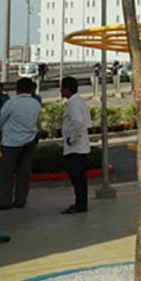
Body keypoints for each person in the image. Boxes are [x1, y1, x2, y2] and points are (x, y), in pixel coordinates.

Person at [0, 78, 41, 211]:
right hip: (29, 140)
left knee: (5, 174)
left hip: (10, 142)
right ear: (31, 89)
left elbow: (0, 121)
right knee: (24, 173)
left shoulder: (11, 103)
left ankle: (5, 201)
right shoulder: (36, 103)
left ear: (17, 89)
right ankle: (20, 200)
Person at [60, 76, 91, 214]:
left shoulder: (73, 103)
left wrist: (71, 139)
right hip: (81, 144)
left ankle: (80, 204)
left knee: (77, 178)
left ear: (67, 89)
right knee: (79, 178)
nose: (60, 90)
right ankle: (80, 203)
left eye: (62, 88)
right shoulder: (79, 101)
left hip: (75, 147)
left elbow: (77, 122)